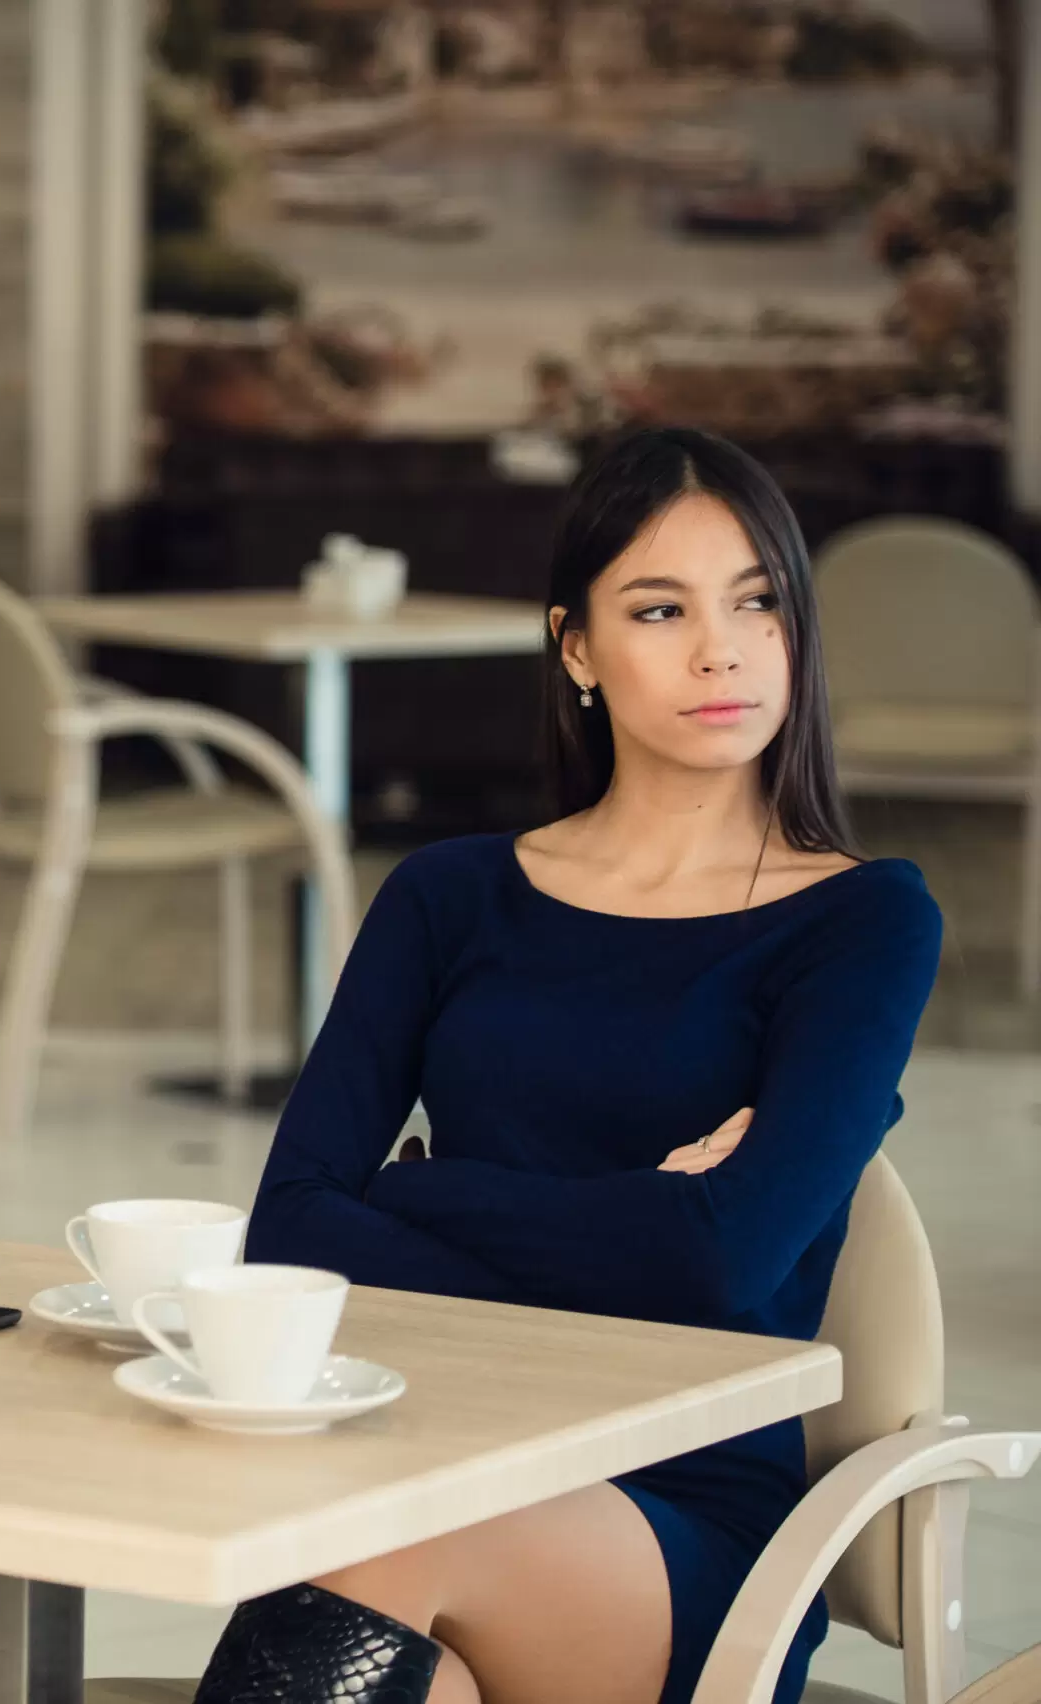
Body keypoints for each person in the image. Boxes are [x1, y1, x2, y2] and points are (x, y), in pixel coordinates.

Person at [202, 427, 942, 1704]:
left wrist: (408, 1195)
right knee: (372, 1543)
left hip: (680, 1523)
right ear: (576, 648)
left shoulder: (864, 921)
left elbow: (722, 1262)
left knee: (375, 1531)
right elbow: (284, 1234)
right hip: (435, 1441)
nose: (720, 647)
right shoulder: (447, 896)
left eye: (755, 601)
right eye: (660, 609)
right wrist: (648, 1214)